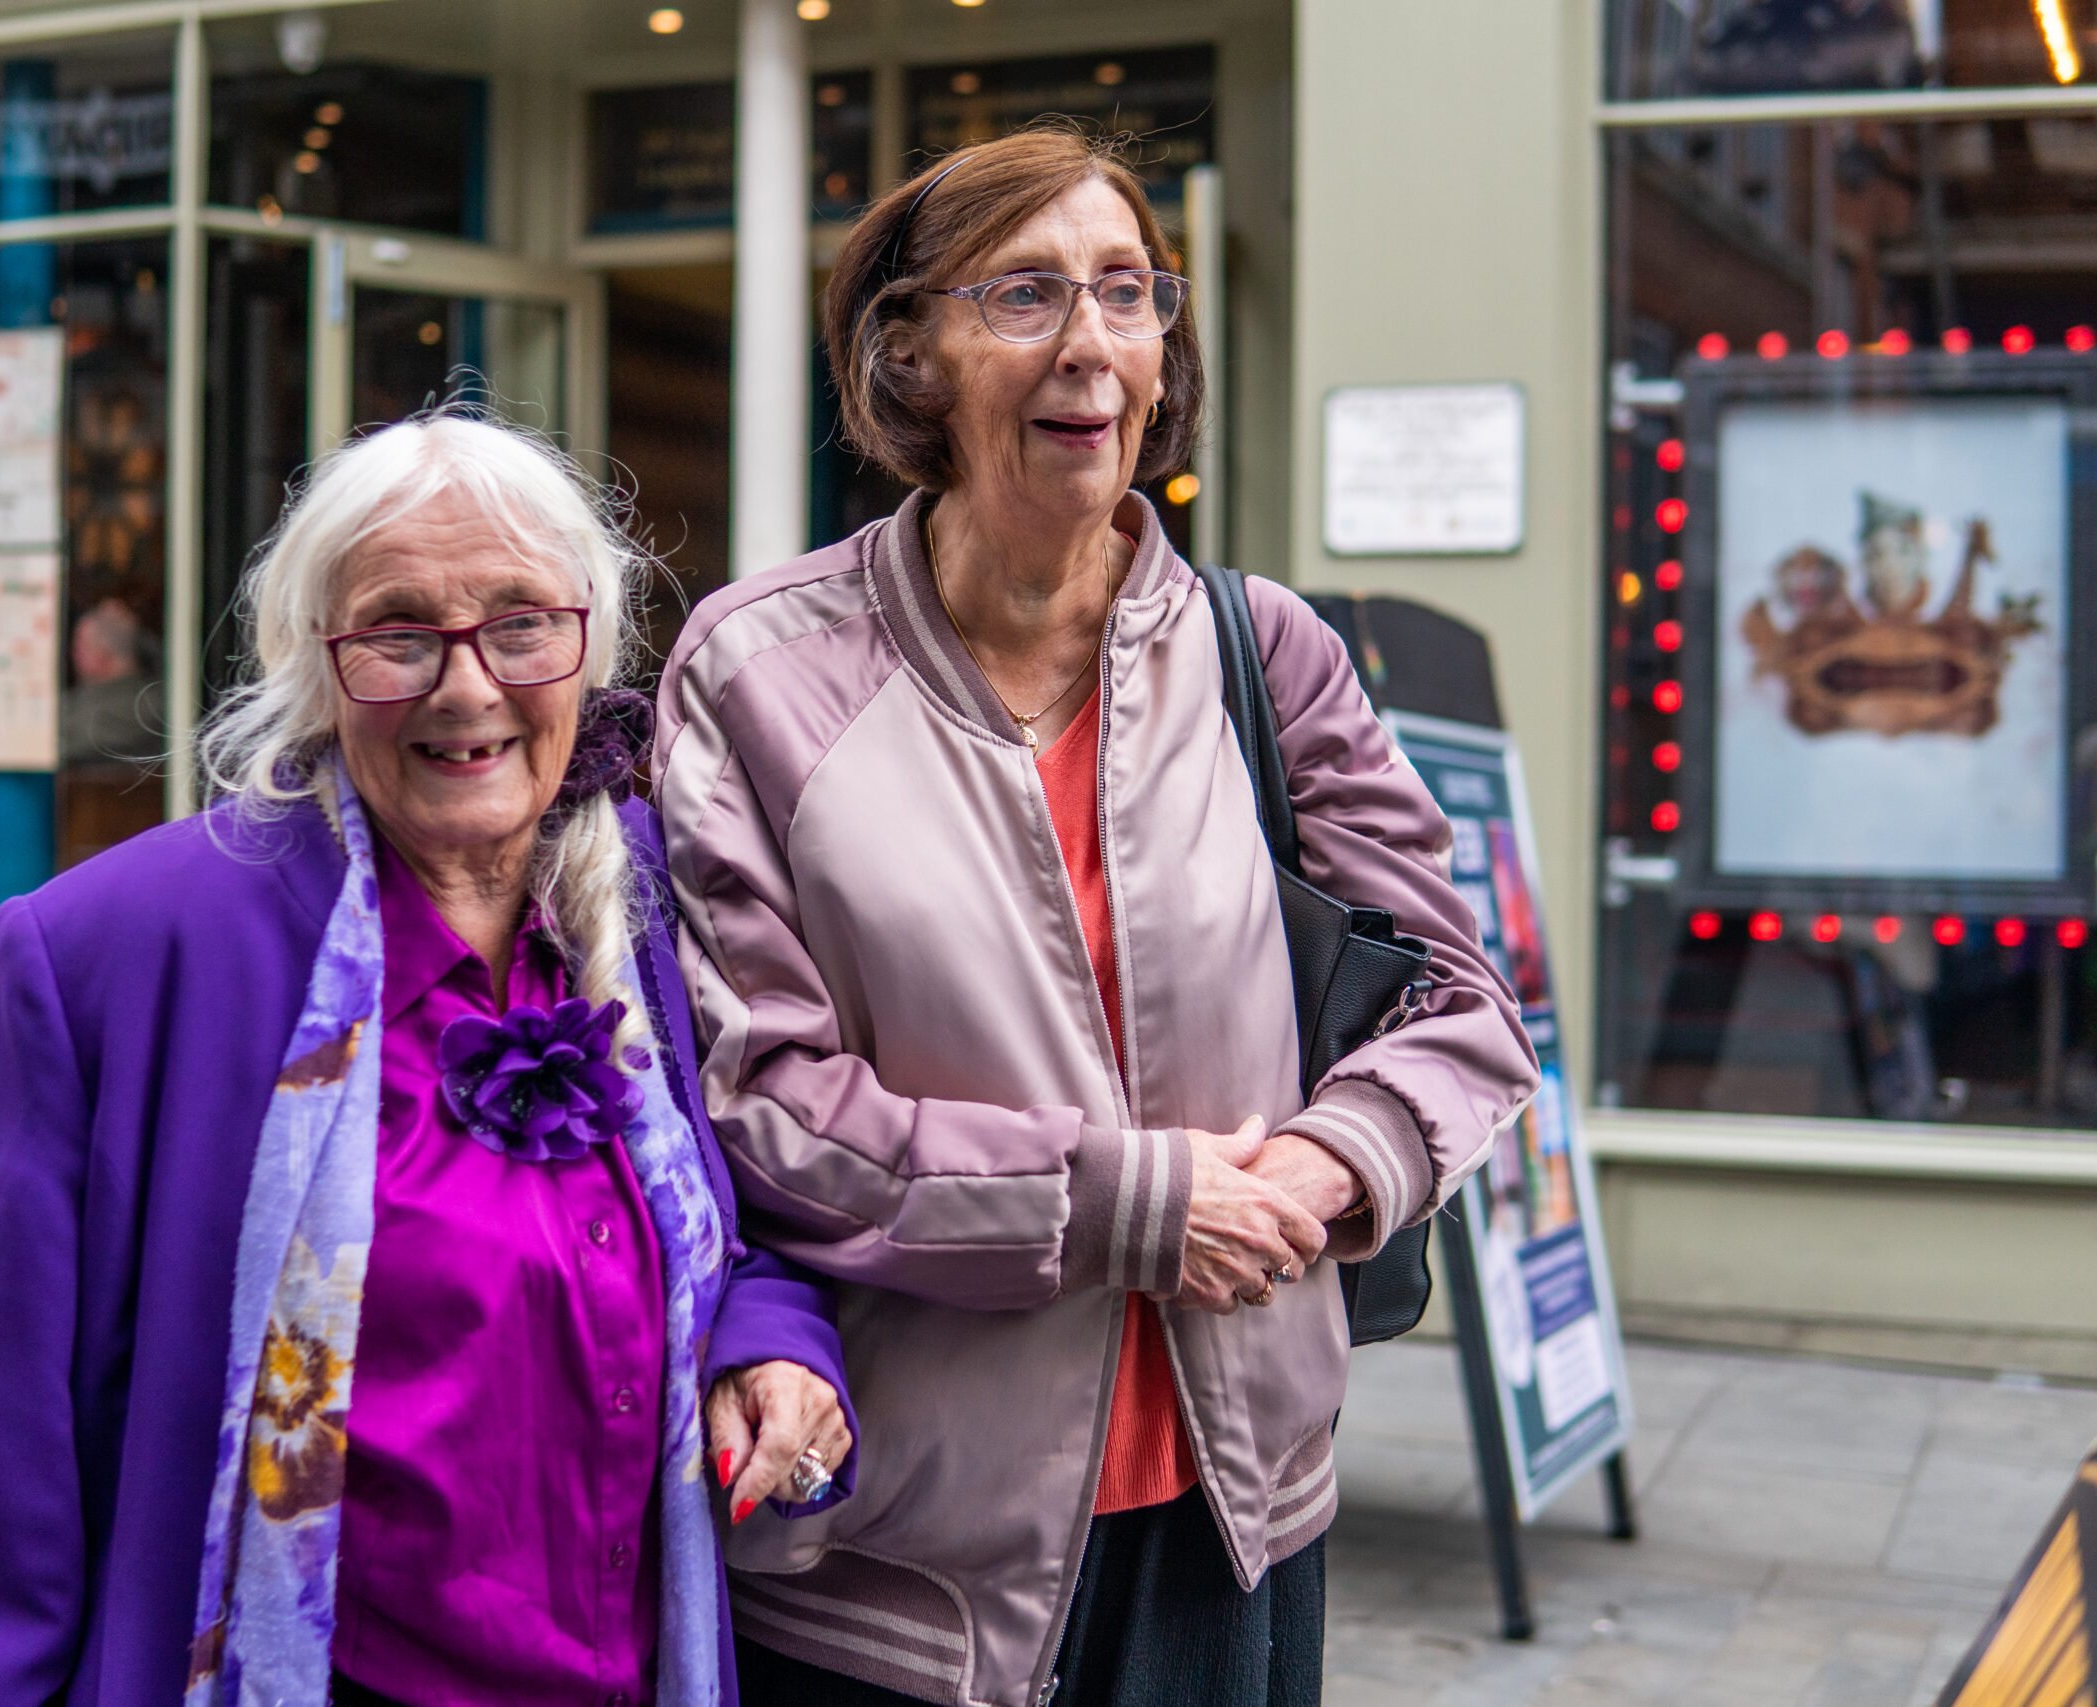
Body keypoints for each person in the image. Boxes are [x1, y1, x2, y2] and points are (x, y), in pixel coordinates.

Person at [654, 130, 1540, 1707]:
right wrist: (1130, 1205)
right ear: (910, 351)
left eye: (1127, 295)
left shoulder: (1269, 654)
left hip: (1237, 1526)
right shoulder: (758, 674)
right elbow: (766, 1109)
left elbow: (1462, 1005)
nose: (1090, 346)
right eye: (1027, 295)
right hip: (908, 1563)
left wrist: (1340, 1164)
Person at [0, 411, 857, 1707]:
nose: (468, 687)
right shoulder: (102, 959)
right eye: (401, 634)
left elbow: (723, 1244)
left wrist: (777, 1346)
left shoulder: (625, 902)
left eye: (521, 623)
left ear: (589, 644)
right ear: (318, 663)